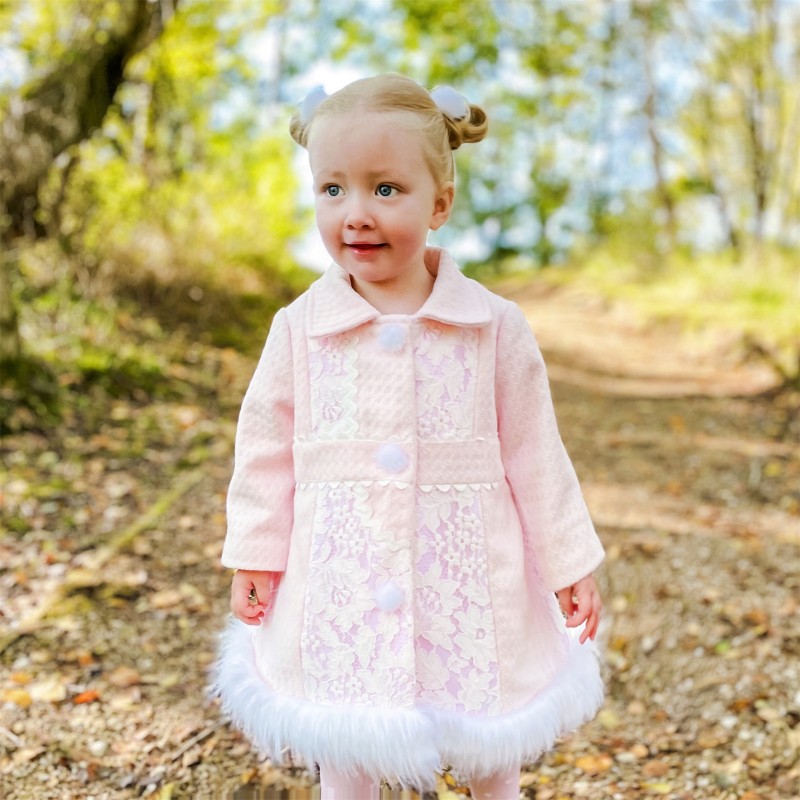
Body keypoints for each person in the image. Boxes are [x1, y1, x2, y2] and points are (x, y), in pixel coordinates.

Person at [212, 73, 604, 800]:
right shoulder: (299, 329)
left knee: (490, 718)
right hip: (343, 569)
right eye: (333, 190)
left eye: (385, 190)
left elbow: (535, 453)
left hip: (466, 569)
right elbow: (264, 449)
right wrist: (257, 553)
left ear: (441, 204)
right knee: (350, 729)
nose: (355, 213)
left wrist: (567, 560)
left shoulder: (491, 326)